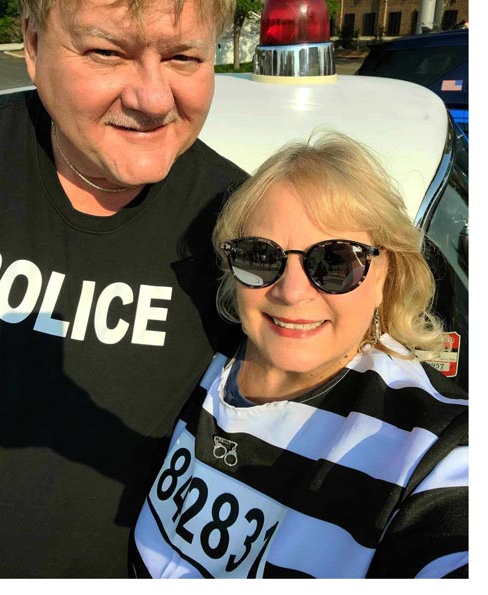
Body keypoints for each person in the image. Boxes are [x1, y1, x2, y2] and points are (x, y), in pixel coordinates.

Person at [0, 0, 246, 577]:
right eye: (107, 52)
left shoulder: (247, 234)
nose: (153, 100)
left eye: (184, 57)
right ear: (33, 44)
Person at [131, 133, 468, 579]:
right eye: (260, 256)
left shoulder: (432, 444)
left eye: (334, 262)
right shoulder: (207, 360)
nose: (290, 293)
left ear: (385, 274)